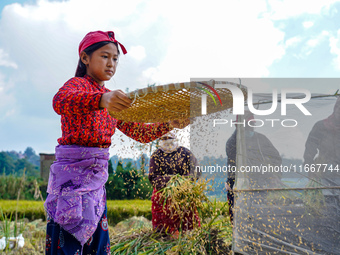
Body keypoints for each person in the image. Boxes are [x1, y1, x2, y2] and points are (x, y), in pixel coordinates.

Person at [44, 30, 187, 255]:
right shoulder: (78, 86)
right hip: (71, 184)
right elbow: (59, 101)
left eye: (115, 59)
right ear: (85, 58)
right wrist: (101, 99)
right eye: (104, 56)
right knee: (68, 242)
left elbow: (139, 133)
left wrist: (170, 123)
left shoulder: (112, 98)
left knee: (97, 245)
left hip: (95, 184)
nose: (111, 63)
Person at [225, 111, 282, 225]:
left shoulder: (261, 139)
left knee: (260, 215)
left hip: (261, 182)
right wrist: (232, 184)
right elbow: (234, 166)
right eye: (247, 125)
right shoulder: (232, 142)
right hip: (240, 184)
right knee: (239, 217)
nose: (250, 128)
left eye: (252, 125)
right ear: (238, 126)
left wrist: (275, 176)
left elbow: (276, 158)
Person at [148, 131, 200, 234]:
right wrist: (171, 181)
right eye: (165, 141)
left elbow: (196, 170)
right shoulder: (156, 156)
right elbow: (153, 177)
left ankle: (188, 238)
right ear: (160, 142)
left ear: (175, 141)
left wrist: (183, 181)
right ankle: (163, 239)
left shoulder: (185, 153)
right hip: (162, 196)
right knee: (162, 228)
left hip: (183, 194)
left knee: (187, 223)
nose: (168, 144)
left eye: (170, 141)